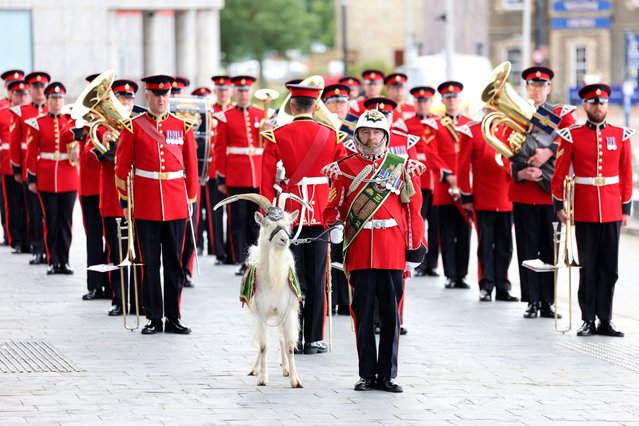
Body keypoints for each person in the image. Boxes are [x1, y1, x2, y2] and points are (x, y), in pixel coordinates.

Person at [322, 108, 426, 393]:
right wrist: (335, 226)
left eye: (377, 132)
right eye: (366, 132)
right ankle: (367, 373)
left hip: (392, 248)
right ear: (357, 135)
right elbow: (333, 207)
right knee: (363, 314)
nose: (371, 138)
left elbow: (412, 210)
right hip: (360, 248)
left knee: (392, 316)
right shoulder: (344, 167)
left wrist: (412, 249)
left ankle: (388, 374)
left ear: (385, 135)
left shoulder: (401, 165)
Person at [261, 83, 347, 354]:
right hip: (321, 214)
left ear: (293, 106)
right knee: (318, 277)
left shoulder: (276, 136)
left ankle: (292, 337)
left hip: (289, 216)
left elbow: (266, 182)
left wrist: (269, 218)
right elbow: (341, 180)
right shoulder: (333, 135)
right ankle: (314, 338)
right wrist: (339, 217)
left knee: (289, 277)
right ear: (315, 106)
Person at [115, 74, 198, 335]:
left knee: (174, 263)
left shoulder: (182, 126)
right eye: (156, 94)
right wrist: (125, 202)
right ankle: (153, 316)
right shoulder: (133, 126)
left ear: (170, 96)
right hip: (147, 204)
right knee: (150, 264)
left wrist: (191, 199)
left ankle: (174, 316)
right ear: (147, 96)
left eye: (166, 94)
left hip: (175, 203)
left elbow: (192, 168)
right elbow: (121, 167)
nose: (161, 99)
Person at [553, 83, 633, 337]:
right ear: (585, 106)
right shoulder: (571, 136)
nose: (598, 107)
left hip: (611, 210)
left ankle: (605, 319)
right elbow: (559, 174)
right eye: (593, 103)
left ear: (607, 106)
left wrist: (625, 209)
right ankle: (587, 318)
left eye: (602, 103)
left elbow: (627, 175)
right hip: (585, 210)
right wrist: (559, 205)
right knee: (588, 267)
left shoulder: (621, 135)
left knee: (610, 268)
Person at [513, 66, 575, 319]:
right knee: (527, 249)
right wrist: (520, 173)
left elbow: (571, 139)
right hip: (525, 191)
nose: (538, 89)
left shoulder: (561, 114)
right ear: (527, 88)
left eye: (542, 85)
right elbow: (504, 146)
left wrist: (549, 151)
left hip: (550, 191)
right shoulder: (517, 114)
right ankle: (531, 300)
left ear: (549, 88)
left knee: (550, 249)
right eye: (533, 85)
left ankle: (548, 301)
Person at [92, 78, 141, 314]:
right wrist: (104, 144)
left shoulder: (140, 124)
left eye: (129, 98)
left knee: (140, 252)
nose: (125, 102)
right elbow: (90, 154)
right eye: (121, 98)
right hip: (113, 198)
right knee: (116, 251)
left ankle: (140, 301)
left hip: (139, 197)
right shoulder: (101, 125)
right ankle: (120, 300)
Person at [457, 118, 518, 302]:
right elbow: (462, 166)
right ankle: (486, 285)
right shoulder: (472, 130)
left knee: (505, 246)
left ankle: (503, 287)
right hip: (483, 198)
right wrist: (466, 195)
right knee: (485, 245)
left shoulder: (511, 129)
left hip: (507, 197)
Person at [25, 82, 79, 275]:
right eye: (53, 98)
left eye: (60, 98)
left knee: (65, 221)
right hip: (46, 177)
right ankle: (52, 259)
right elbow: (31, 153)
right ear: (47, 101)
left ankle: (64, 260)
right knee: (50, 220)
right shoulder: (38, 123)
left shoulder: (71, 122)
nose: (57, 102)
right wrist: (32, 178)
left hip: (68, 176)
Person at [214, 75, 265, 276]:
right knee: (238, 220)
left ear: (251, 92)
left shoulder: (262, 114)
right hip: (236, 175)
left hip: (258, 175)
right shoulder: (225, 116)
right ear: (235, 92)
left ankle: (257, 258)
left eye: (246, 90)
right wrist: (221, 177)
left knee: (257, 220)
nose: (244, 94)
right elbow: (220, 149)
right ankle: (243, 260)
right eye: (240, 91)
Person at [424, 81, 473, 289]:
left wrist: (462, 179)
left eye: (455, 97)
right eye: (448, 98)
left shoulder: (470, 124)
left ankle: (462, 274)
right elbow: (431, 153)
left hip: (465, 186)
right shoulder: (434, 124)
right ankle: (450, 274)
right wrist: (449, 175)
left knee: (465, 232)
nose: (452, 101)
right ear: (442, 101)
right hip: (444, 188)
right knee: (446, 232)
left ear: (460, 100)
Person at [10, 71, 49, 263]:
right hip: (31, 167)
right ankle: (38, 248)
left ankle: (52, 250)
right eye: (35, 87)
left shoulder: (54, 109)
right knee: (34, 212)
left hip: (51, 169)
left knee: (50, 214)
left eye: (42, 87)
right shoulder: (21, 112)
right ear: (30, 90)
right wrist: (17, 169)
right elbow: (15, 141)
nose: (40, 90)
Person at [321, 83, 352, 316]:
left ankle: (346, 298)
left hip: (350, 191)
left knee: (347, 248)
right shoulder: (322, 128)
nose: (338, 107)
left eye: (342, 102)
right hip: (326, 191)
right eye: (333, 102)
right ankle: (330, 296)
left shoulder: (356, 128)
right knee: (327, 247)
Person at [404, 86, 440, 277]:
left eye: (425, 101)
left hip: (435, 181)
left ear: (430, 103)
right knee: (418, 222)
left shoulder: (438, 122)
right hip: (417, 181)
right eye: (419, 101)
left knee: (435, 225)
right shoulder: (406, 124)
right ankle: (421, 262)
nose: (422, 104)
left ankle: (433, 264)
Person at [78, 74, 107, 300]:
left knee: (115, 242)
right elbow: (87, 159)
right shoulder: (83, 120)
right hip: (90, 189)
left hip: (108, 190)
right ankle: (95, 285)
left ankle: (113, 286)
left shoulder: (112, 121)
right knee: (94, 239)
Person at [207, 75, 235, 265]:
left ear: (231, 92)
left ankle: (233, 251)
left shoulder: (235, 111)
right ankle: (219, 251)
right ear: (215, 91)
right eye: (220, 89)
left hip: (232, 169)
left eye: (226, 90)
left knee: (234, 213)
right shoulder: (209, 112)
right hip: (212, 168)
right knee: (215, 213)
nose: (223, 93)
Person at [1, 76, 29, 250]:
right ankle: (14, 238)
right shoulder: (3, 110)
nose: (20, 97)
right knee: (11, 203)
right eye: (16, 93)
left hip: (27, 163)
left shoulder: (31, 111)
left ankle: (28, 239)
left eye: (23, 93)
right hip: (6, 162)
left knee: (28, 206)